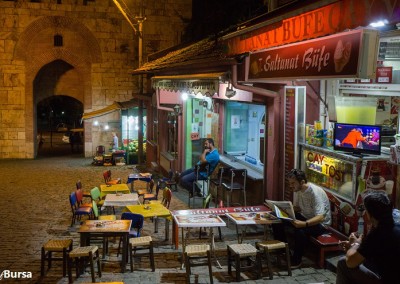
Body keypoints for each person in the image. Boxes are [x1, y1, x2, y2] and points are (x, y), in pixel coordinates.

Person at [336, 191, 400, 284]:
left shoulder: (378, 233)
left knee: (343, 263)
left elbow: (350, 262)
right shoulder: (395, 222)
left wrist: (356, 243)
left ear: (370, 214)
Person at [272, 169, 331, 268]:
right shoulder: (299, 190)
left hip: (320, 224)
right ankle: (283, 250)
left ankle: (297, 260)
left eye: (293, 183)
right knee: (276, 217)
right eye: (289, 183)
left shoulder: (314, 193)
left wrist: (304, 224)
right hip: (306, 217)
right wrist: (282, 209)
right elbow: (298, 208)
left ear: (302, 182)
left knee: (300, 231)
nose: (290, 186)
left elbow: (320, 217)